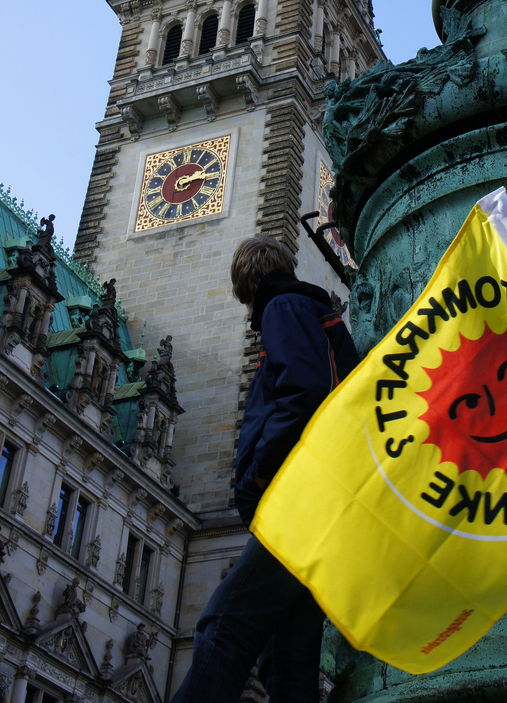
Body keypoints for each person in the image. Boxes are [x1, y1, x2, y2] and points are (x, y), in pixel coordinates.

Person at [172, 236, 359, 703]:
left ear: (246, 284)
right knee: (289, 661)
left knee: (225, 624)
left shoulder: (282, 308)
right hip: (329, 497)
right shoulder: (313, 312)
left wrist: (259, 470)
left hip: (300, 497)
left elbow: (303, 391)